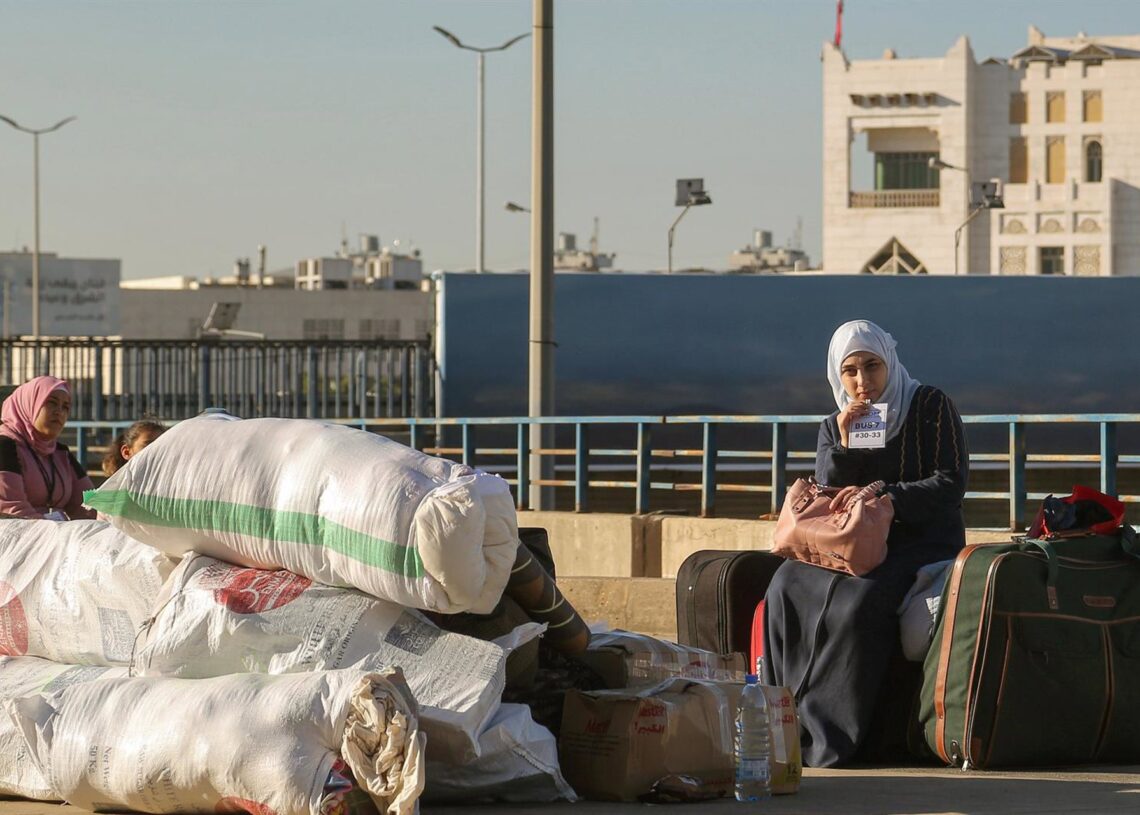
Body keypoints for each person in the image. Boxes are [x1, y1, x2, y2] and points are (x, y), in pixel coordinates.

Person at [761, 319, 968, 767]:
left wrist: (886, 502)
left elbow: (950, 485)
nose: (862, 381)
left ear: (889, 363)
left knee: (861, 601)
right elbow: (827, 498)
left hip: (919, 541)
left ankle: (838, 739)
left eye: (871, 367)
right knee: (785, 585)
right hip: (851, 543)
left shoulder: (929, 405)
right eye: (850, 371)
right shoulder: (835, 424)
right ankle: (785, 721)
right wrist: (842, 442)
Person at [0, 376, 97, 520]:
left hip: (55, 536)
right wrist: (57, 531)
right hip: (18, 537)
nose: (59, 412)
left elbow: (90, 504)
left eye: (65, 407)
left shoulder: (60, 452)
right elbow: (12, 510)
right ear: (29, 404)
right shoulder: (4, 446)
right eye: (51, 403)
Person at [101, 420, 166, 476]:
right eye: (148, 445)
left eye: (160, 446)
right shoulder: (115, 488)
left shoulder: (170, 484)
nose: (156, 451)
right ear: (126, 452)